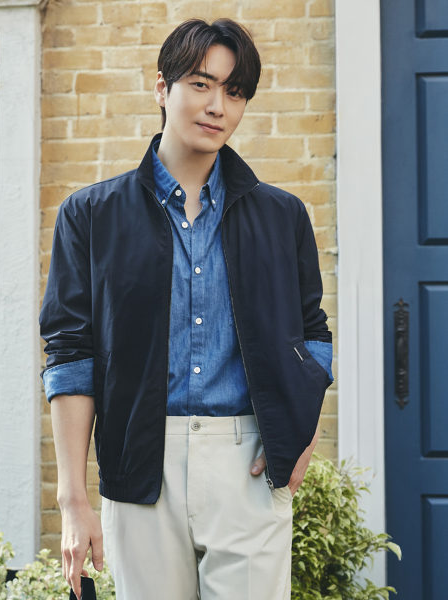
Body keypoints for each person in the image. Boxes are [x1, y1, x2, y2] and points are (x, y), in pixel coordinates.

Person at [39, 17, 334, 600]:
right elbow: (70, 354)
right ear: (161, 88)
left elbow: (313, 335)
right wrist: (73, 498)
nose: (217, 105)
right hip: (140, 464)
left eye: (235, 91)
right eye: (201, 84)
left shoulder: (283, 216)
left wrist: (299, 439)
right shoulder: (90, 215)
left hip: (247, 462)